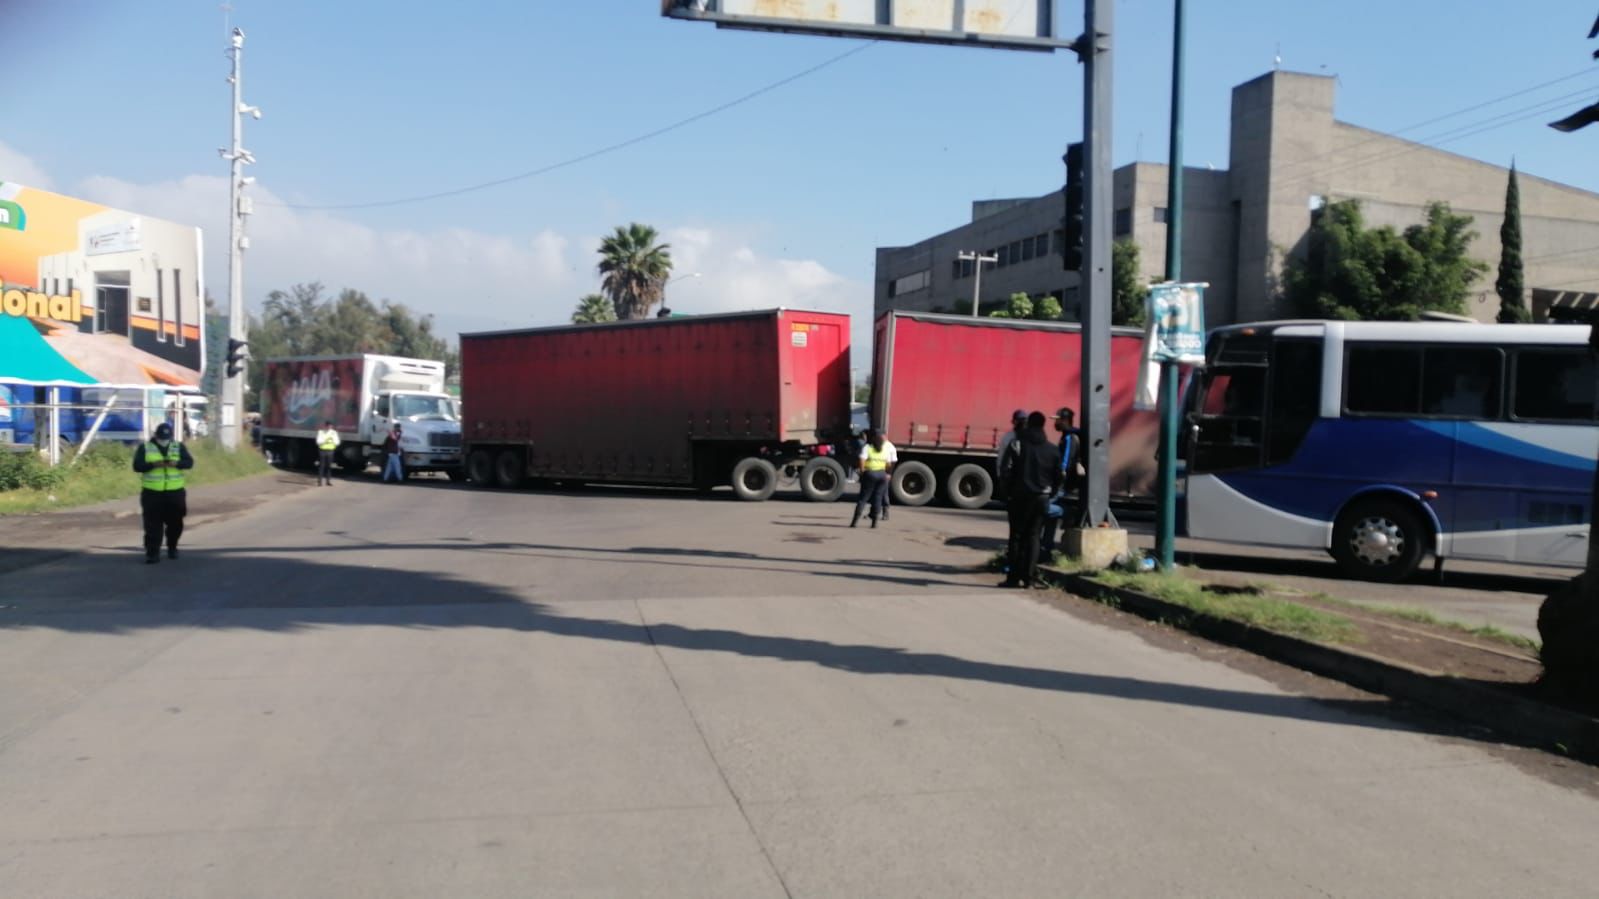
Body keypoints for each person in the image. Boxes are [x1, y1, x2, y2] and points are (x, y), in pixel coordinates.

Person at [998, 411, 1062, 589]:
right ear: (1043, 425)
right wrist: (1051, 493)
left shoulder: (1017, 444)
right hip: (1041, 497)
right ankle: (1029, 579)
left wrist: (1007, 493)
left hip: (1018, 497)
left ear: (1029, 424)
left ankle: (1013, 578)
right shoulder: (1052, 449)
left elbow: (1005, 470)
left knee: (1016, 536)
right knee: (1034, 536)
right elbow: (1059, 476)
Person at [132, 421, 194, 564]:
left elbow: (189, 463)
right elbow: (137, 466)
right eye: (161, 438)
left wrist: (177, 464)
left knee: (176, 524)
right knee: (152, 525)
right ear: (156, 435)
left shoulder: (178, 446)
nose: (164, 440)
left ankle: (172, 546)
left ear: (171, 436)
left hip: (175, 492)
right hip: (152, 493)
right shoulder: (145, 447)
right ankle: (152, 553)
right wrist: (153, 465)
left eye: (166, 438)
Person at [1040, 406, 1085, 558]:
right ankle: (1046, 547)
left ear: (1065, 420)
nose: (1055, 423)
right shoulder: (1068, 435)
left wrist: (1058, 478)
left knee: (1043, 508)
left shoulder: (1069, 437)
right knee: (1049, 517)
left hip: (1061, 484)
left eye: (1057, 420)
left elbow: (1065, 462)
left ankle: (1068, 513)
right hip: (1061, 483)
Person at [851, 428, 896, 528]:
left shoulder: (868, 448)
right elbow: (889, 464)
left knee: (863, 498)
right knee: (878, 498)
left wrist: (862, 471)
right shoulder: (885, 450)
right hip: (882, 475)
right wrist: (887, 473)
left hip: (870, 473)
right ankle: (874, 523)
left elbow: (862, 460)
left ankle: (855, 522)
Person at [993, 408, 1028, 497]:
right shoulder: (1009, 437)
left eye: (1024, 421)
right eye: (1021, 421)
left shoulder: (1028, 437)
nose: (1023, 423)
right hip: (1014, 475)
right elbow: (1002, 457)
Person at [315, 419, 341, 486]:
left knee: (329, 466)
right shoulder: (321, 432)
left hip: (330, 451)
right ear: (325, 426)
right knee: (322, 466)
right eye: (328, 425)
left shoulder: (334, 433)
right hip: (322, 451)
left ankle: (328, 481)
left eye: (330, 426)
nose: (329, 427)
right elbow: (318, 441)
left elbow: (337, 442)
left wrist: (333, 441)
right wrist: (326, 440)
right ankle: (319, 481)